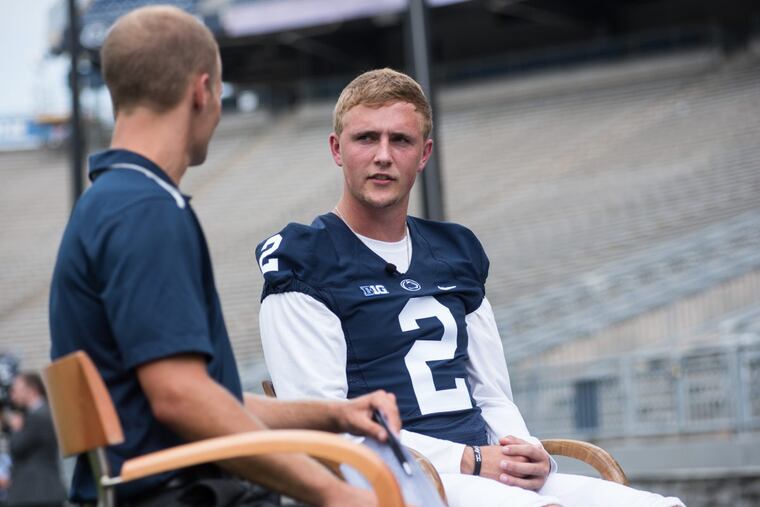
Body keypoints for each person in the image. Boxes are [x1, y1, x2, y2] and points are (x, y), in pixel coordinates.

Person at [256, 68, 686, 507]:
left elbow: (490, 392)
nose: (383, 155)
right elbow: (328, 432)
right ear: (337, 149)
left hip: (482, 469)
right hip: (394, 478)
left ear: (423, 154)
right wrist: (469, 459)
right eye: (366, 138)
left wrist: (525, 451)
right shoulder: (304, 258)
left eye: (400, 140)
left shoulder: (454, 250)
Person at [49, 7, 400, 507]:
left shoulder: (108, 201)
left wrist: (334, 415)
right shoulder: (147, 209)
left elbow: (209, 398)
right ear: (202, 90)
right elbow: (182, 398)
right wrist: (333, 492)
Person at [4, 373, 66, 507]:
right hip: (46, 490)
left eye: (16, 389)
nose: (13, 395)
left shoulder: (36, 416)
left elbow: (17, 447)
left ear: (31, 390)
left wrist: (16, 429)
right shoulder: (47, 412)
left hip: (33, 493)